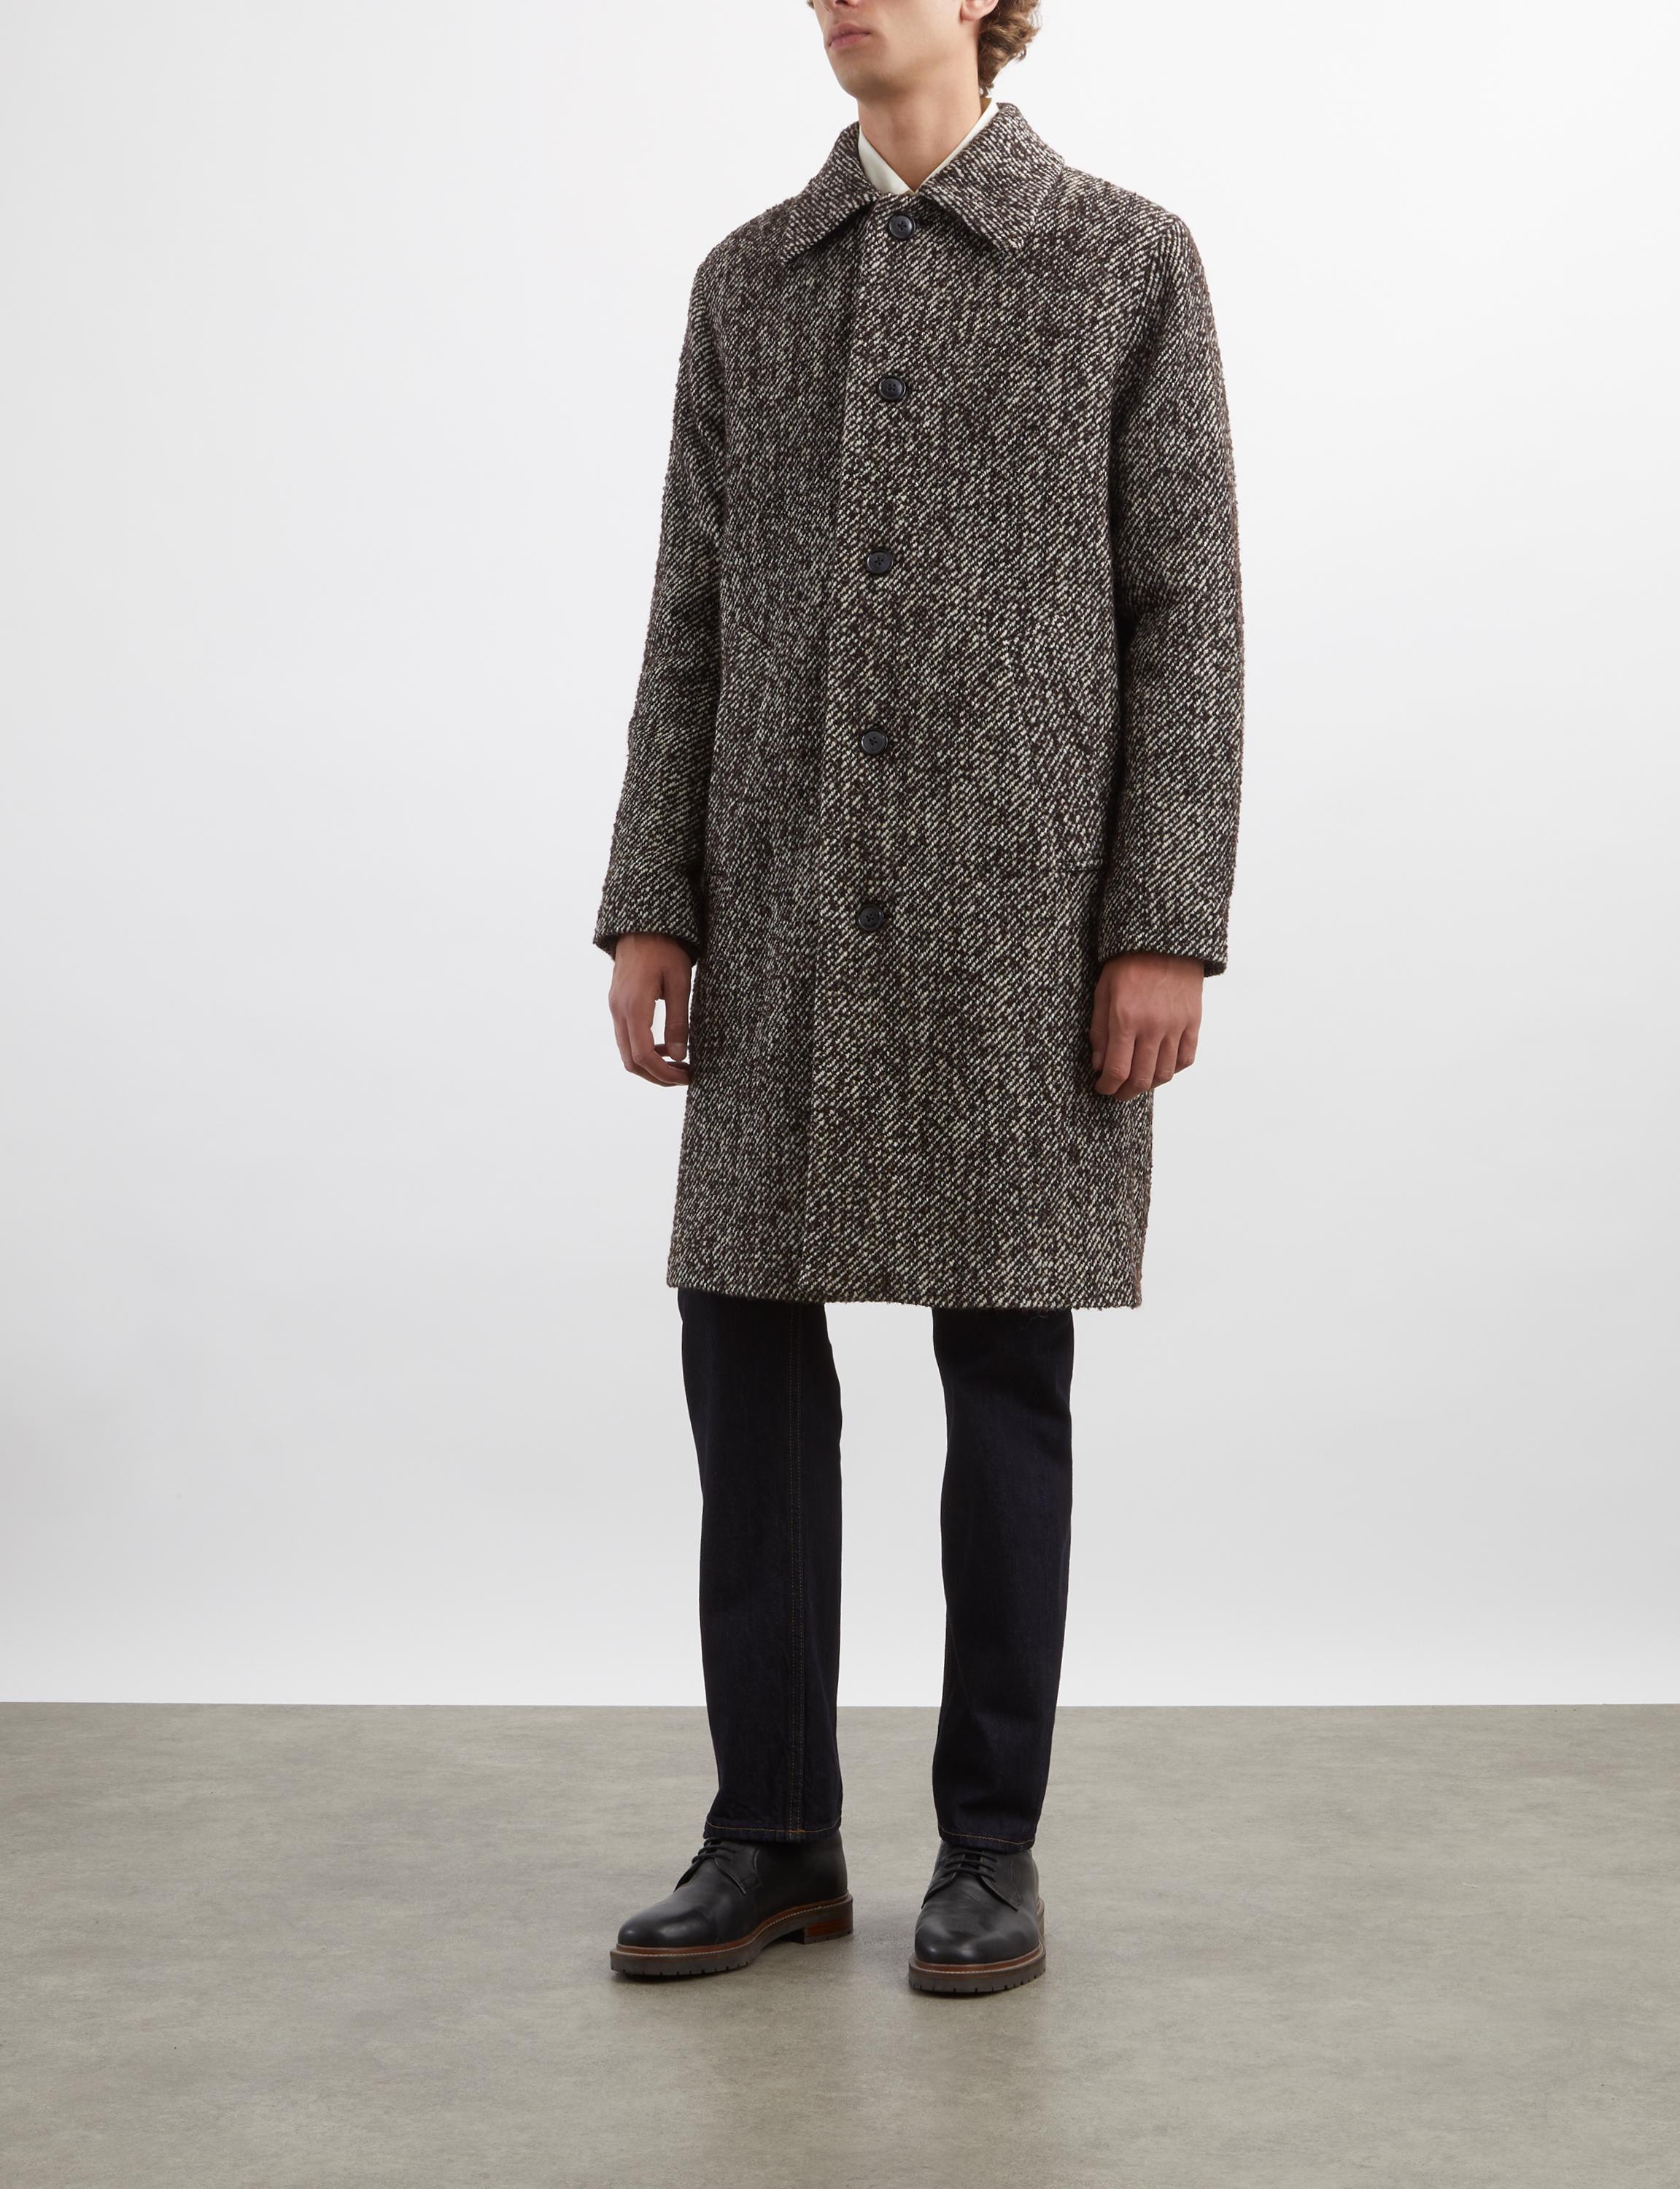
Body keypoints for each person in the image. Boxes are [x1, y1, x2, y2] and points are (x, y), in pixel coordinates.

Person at [596, 0, 1242, 1996]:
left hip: (1018, 922)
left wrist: (1162, 919)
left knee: (1005, 1369)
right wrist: (652, 901)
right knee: (743, 1354)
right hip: (780, 907)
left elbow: (1189, 613)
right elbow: (690, 611)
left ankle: (988, 1848)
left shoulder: (1122, 262)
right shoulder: (749, 283)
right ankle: (772, 1833)